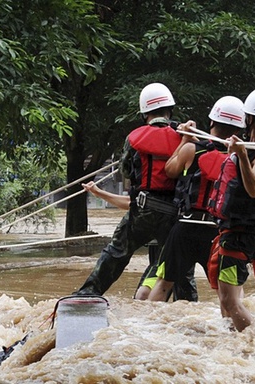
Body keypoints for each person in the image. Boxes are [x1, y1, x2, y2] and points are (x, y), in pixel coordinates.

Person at [73, 83, 183, 299]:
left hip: (142, 211)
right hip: (174, 216)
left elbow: (125, 170)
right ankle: (191, 308)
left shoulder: (134, 138)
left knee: (116, 253)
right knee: (180, 266)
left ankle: (87, 296)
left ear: (144, 114)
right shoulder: (184, 138)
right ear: (170, 110)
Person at [148, 96, 245, 302]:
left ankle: (146, 329)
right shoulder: (241, 159)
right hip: (218, 231)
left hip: (186, 227)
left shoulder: (192, 149)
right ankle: (235, 332)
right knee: (227, 293)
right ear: (238, 130)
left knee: (164, 284)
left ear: (211, 122)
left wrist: (184, 139)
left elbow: (170, 170)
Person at [208, 87, 255, 331]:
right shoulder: (254, 148)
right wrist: (239, 153)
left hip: (241, 236)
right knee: (226, 300)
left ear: (249, 118)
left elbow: (254, 189)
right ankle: (234, 345)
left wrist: (241, 157)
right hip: (235, 233)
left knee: (230, 302)